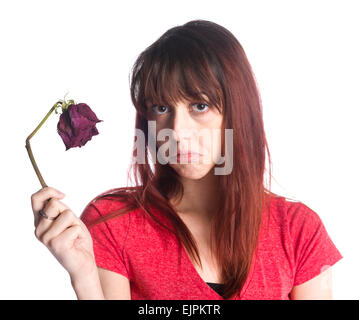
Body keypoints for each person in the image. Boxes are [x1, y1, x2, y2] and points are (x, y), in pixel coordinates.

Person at [30, 19, 343, 300]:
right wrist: (84, 279)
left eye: (200, 106)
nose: (177, 132)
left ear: (238, 110)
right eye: (162, 109)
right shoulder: (113, 223)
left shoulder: (298, 231)